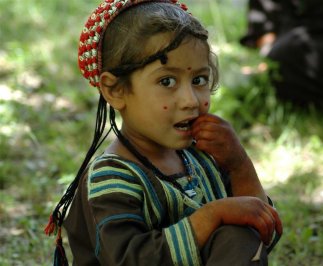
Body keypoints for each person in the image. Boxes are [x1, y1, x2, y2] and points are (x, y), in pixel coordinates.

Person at [44, 0, 282, 265]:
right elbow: (128, 259)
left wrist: (239, 165)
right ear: (115, 91)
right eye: (167, 81)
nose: (190, 100)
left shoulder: (202, 160)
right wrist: (212, 216)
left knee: (237, 234)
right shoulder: (109, 179)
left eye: (199, 80)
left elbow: (260, 233)